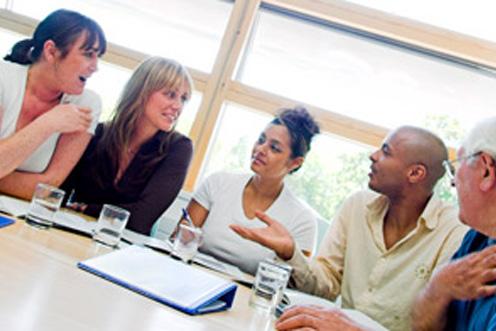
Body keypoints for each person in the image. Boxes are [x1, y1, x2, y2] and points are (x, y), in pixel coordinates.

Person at [231, 126, 468, 330]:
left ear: (415, 173)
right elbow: (325, 287)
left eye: (386, 151)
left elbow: (435, 325)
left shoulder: (454, 232)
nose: (373, 156)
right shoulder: (357, 205)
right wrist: (290, 253)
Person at [62, 56, 194, 235]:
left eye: (183, 99)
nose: (178, 106)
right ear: (142, 91)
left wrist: (88, 209)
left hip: (123, 248)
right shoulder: (98, 134)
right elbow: (61, 193)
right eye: (170, 94)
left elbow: (141, 220)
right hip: (72, 233)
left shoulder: (178, 148)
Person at [180, 107, 319, 275]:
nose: (260, 149)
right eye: (261, 140)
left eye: (274, 148)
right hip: (190, 278)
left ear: (295, 163)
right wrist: (185, 238)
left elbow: (296, 284)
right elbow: (179, 242)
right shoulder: (218, 182)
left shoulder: (302, 220)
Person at [0, 9, 106, 199]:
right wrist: (48, 123)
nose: (95, 67)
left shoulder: (86, 103)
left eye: (98, 56)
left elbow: (47, 187)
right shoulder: (3, 78)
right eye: (88, 54)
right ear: (51, 51)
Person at [412, 117, 496, 331]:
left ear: (486, 170)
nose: (452, 181)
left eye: (456, 166)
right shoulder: (477, 238)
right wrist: (437, 289)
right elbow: (421, 326)